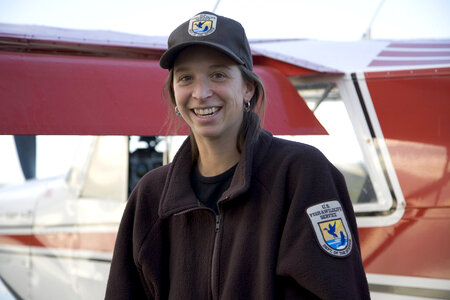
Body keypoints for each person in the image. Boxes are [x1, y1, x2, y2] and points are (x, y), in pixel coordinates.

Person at [105, 11, 370, 299]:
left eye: (218, 75)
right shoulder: (150, 195)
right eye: (185, 78)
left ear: (248, 88)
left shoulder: (302, 173)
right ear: (173, 94)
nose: (201, 92)